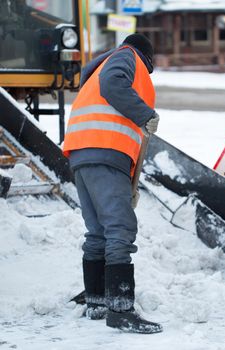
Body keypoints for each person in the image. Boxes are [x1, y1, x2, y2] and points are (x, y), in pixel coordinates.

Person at [63, 33, 162, 334]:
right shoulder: (127, 57)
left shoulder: (97, 68)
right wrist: (146, 113)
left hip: (82, 153)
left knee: (98, 232)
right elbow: (113, 84)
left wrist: (129, 184)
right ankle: (120, 309)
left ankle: (96, 300)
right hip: (105, 151)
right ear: (147, 57)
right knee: (120, 230)